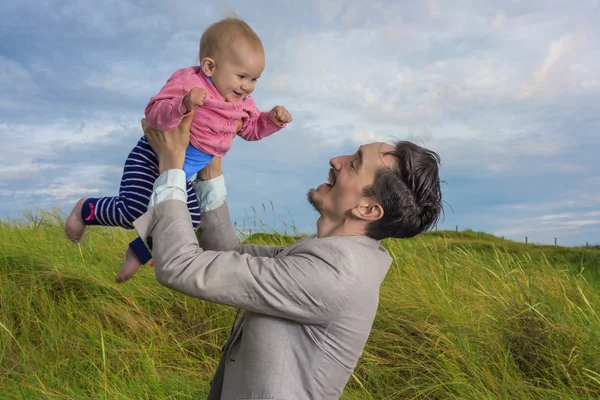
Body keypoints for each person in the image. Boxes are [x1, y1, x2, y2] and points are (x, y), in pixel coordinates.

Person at [132, 110, 442, 399]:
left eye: (354, 164)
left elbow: (181, 266)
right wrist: (211, 166)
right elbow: (227, 254)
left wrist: (171, 168)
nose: (336, 160)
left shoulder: (335, 275)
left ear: (368, 209)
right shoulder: (327, 254)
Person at [64, 16, 291, 282]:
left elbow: (250, 131)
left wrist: (271, 121)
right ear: (209, 66)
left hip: (184, 173)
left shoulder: (243, 103)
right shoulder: (189, 82)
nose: (248, 87)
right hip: (151, 156)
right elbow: (153, 113)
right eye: (242, 76)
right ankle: (86, 209)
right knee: (133, 210)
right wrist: (182, 104)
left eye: (254, 79)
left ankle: (137, 253)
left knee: (189, 219)